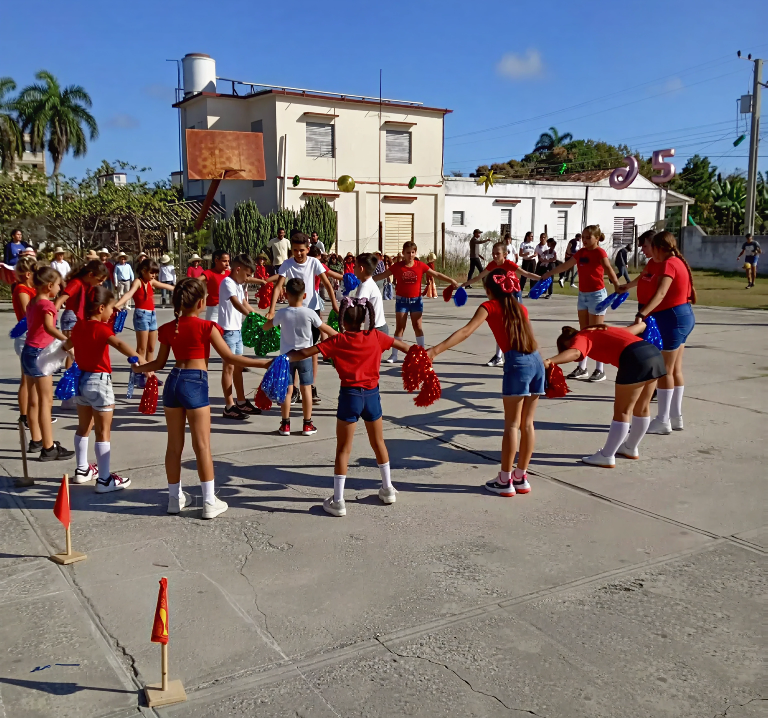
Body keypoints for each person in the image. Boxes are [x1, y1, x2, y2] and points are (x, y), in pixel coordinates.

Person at [133, 278, 270, 518]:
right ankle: (208, 501)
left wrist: (139, 368)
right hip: (195, 382)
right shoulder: (207, 327)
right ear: (200, 303)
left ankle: (174, 498)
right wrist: (265, 363)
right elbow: (230, 358)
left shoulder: (168, 328)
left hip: (173, 382)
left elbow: (159, 363)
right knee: (202, 445)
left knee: (173, 446)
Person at [287, 297, 410, 517]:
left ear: (343, 320)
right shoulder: (376, 336)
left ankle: (338, 500)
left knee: (343, 449)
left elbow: (305, 353)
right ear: (364, 319)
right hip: (372, 396)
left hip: (349, 396)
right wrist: (423, 355)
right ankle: (388, 488)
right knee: (378, 442)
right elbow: (403, 347)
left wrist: (282, 359)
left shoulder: (339, 340)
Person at [428, 267, 544, 496]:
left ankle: (505, 480)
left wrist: (435, 350)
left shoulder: (489, 306)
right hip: (536, 361)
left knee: (512, 425)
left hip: (517, 364)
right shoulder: (520, 307)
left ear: (489, 289)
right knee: (527, 424)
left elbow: (466, 331)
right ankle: (521, 477)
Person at [544, 324, 666, 467]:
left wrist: (549, 361)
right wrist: (642, 321)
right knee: (642, 407)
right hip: (653, 353)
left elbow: (576, 352)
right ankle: (630, 447)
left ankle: (607, 455)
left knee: (622, 411)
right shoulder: (602, 330)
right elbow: (634, 329)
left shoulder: (582, 335)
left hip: (634, 358)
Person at [66, 286, 141, 491]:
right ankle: (105, 479)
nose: (112, 312)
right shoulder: (101, 329)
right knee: (102, 431)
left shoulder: (79, 326)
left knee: (83, 427)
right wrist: (139, 360)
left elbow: (66, 345)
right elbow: (119, 344)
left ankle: (82, 469)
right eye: (110, 308)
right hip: (99, 382)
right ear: (101, 308)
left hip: (82, 381)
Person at [626, 231, 696, 434]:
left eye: (650, 247)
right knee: (675, 369)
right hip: (682, 316)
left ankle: (663, 419)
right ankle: (676, 416)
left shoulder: (669, 264)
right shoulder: (676, 261)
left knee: (664, 371)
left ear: (658, 248)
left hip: (671, 318)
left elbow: (661, 293)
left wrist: (642, 313)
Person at [538, 225, 621, 383]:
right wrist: (549, 273)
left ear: (597, 238)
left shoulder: (600, 252)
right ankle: (582, 367)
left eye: (588, 237)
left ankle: (600, 370)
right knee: (584, 333)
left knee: (596, 333)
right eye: (583, 237)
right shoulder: (581, 252)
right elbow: (565, 265)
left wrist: (617, 285)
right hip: (583, 295)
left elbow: (609, 269)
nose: (585, 240)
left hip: (597, 295)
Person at [267, 233, 339, 403]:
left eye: (301, 250)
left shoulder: (314, 262)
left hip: (311, 311)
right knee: (293, 348)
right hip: (293, 310)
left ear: (308, 249)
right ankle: (294, 388)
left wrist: (335, 305)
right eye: (295, 250)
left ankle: (310, 385)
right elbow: (278, 286)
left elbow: (327, 284)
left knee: (312, 349)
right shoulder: (287, 264)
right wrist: (272, 309)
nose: (298, 254)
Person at [265, 278, 337, 436]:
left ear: (286, 295)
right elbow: (324, 327)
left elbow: (266, 326)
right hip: (305, 356)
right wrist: (340, 337)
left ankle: (285, 425)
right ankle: (307, 424)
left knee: (287, 391)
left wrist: (266, 321)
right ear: (304, 296)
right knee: (306, 389)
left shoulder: (282, 313)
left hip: (286, 358)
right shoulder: (310, 313)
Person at [374, 241, 459, 363]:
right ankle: (394, 355)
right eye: (408, 252)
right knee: (400, 328)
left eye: (412, 252)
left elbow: (436, 274)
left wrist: (451, 280)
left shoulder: (420, 265)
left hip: (416, 301)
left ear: (415, 253)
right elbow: (382, 275)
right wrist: (365, 279)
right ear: (403, 253)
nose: (410, 255)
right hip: (401, 301)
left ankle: (422, 353)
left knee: (418, 326)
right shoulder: (397, 266)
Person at [22, 266, 75, 461]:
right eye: (59, 285)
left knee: (33, 399)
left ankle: (36, 439)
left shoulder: (32, 302)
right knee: (46, 402)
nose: (60, 289)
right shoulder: (47, 305)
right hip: (40, 354)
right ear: (49, 286)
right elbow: (48, 327)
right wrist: (67, 342)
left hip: (28, 351)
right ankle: (48, 446)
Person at [462, 241, 539, 367]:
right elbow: (479, 277)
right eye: (493, 253)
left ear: (505, 254)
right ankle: (498, 357)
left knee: (519, 323)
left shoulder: (509, 264)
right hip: (501, 294)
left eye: (497, 253)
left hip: (514, 293)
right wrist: (464, 284)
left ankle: (527, 352)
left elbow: (526, 274)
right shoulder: (492, 265)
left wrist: (541, 278)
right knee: (503, 325)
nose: (495, 256)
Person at [116, 258, 175, 388]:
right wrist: (117, 305)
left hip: (152, 315)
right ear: (143, 271)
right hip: (141, 315)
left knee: (151, 348)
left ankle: (150, 375)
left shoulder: (151, 282)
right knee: (141, 349)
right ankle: (138, 375)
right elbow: (129, 294)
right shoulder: (138, 282)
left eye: (155, 273)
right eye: (151, 272)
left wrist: (181, 288)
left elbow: (167, 286)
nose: (153, 275)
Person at [217, 253, 262, 419]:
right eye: (247, 275)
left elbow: (244, 303)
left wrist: (258, 317)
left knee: (238, 367)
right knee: (228, 368)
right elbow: (236, 303)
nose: (247, 279)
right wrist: (251, 317)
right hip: (228, 331)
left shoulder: (238, 284)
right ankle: (229, 405)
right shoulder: (227, 282)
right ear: (238, 269)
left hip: (237, 330)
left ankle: (241, 401)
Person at [12, 256, 37, 428]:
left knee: (30, 379)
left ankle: (31, 414)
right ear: (28, 274)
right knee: (27, 379)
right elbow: (28, 312)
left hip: (32, 334)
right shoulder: (22, 289)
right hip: (26, 335)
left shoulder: (31, 288)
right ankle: (25, 415)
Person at [354, 252, 389, 333]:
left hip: (376, 330)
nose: (353, 268)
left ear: (361, 269)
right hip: (378, 327)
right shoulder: (368, 283)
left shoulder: (365, 287)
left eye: (355, 265)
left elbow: (358, 311)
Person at [200, 249, 231, 322]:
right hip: (214, 310)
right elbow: (195, 280)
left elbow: (246, 279)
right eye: (224, 261)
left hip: (228, 308)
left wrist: (258, 281)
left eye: (228, 261)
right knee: (212, 328)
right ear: (216, 261)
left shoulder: (229, 274)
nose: (227, 264)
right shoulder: (209, 273)